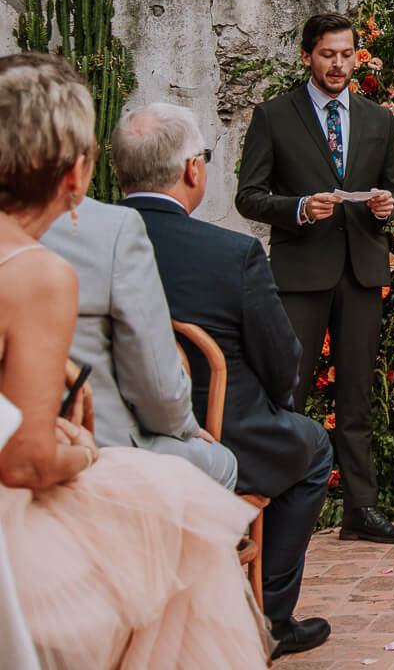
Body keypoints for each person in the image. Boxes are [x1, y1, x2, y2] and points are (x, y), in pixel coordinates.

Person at [0, 53, 267, 668]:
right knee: (180, 525)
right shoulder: (38, 273)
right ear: (76, 174)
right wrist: (84, 452)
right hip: (19, 508)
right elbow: (26, 462)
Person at [118, 102, 334, 659]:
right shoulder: (230, 253)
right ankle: (268, 618)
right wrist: (277, 405)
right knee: (312, 447)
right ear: (193, 170)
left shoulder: (85, 240)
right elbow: (282, 361)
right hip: (219, 435)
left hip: (112, 437)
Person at [236, 12, 394, 545]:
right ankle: (278, 508)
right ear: (308, 56)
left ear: (357, 57)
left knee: (357, 396)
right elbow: (249, 196)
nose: (338, 64)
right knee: (288, 393)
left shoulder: (377, 118)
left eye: (346, 55)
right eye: (328, 55)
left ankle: (361, 511)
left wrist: (388, 206)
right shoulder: (273, 115)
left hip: (361, 270)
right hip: (300, 274)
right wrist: (297, 208)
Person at [41, 196, 239, 489]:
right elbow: (157, 390)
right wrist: (185, 426)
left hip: (20, 436)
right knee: (223, 463)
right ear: (74, 175)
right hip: (99, 444)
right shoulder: (111, 228)